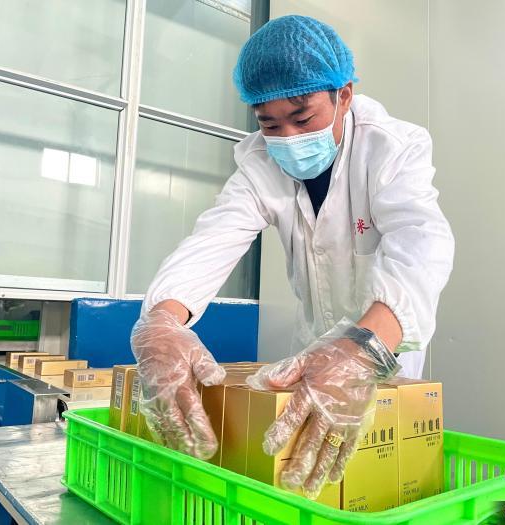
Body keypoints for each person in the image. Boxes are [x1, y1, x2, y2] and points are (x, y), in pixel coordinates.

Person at [131, 15, 454, 499]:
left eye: (302, 119)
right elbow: (214, 238)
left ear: (344, 95)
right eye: (268, 122)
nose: (286, 138)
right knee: (305, 487)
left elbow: (422, 243)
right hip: (309, 354)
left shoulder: (391, 146)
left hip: (382, 362)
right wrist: (162, 321)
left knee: (376, 488)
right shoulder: (260, 164)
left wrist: (362, 351)